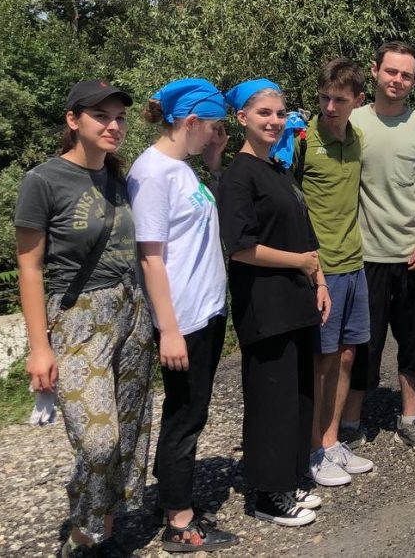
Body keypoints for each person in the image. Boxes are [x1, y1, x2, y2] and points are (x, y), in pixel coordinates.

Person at [15, 81, 155, 556]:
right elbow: (30, 268)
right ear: (73, 120)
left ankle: (103, 529)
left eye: (119, 117)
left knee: (129, 435)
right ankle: (83, 532)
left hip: (132, 314)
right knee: (98, 440)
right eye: (101, 116)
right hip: (78, 320)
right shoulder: (44, 181)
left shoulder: (119, 178)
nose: (113, 125)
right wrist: (39, 348)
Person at [128, 78, 239, 551]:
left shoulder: (181, 167)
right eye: (211, 127)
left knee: (190, 409)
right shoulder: (153, 172)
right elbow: (151, 256)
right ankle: (180, 521)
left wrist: (213, 161)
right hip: (184, 318)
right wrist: (168, 329)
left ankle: (168, 491)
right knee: (186, 416)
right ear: (190, 122)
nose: (214, 134)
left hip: (206, 309)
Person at [218, 79, 325, 526]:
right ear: (242, 118)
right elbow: (240, 246)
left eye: (280, 114)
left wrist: (317, 280)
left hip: (298, 300)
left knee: (299, 395)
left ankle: (292, 477)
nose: (275, 121)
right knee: (271, 401)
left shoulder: (278, 170)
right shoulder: (238, 175)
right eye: (264, 113)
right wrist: (299, 263)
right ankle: (267, 494)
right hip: (266, 305)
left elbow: (304, 235)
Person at [346, 41, 415, 456]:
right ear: (375, 71)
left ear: (414, 81)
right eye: (391, 72)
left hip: (412, 253)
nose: (398, 81)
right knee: (361, 342)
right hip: (363, 254)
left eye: (406, 75)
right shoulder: (350, 122)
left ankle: (409, 419)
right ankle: (350, 421)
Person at [292, 59, 376, 487]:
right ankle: (312, 449)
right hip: (319, 267)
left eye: (339, 100)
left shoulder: (357, 137)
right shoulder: (302, 140)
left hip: (354, 262)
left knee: (347, 355)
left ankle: (331, 441)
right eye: (324, 98)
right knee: (321, 361)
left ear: (358, 101)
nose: (329, 107)